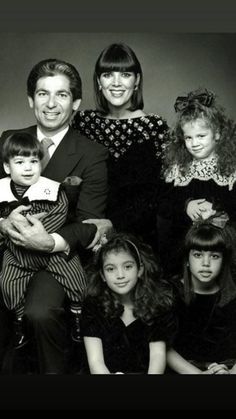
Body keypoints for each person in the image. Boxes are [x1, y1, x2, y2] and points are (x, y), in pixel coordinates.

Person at [0, 58, 110, 374]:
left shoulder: (91, 153)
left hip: (57, 260)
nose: (51, 104)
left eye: (61, 95)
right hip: (7, 252)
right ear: (31, 99)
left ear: (75, 102)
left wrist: (50, 241)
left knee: (40, 313)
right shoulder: (9, 139)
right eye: (43, 93)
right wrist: (4, 224)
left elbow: (90, 222)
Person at [72, 43, 169, 252]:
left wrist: (114, 225)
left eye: (125, 74)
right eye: (108, 75)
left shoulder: (154, 127)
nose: (116, 83)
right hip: (86, 236)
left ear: (137, 81)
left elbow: (159, 196)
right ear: (99, 81)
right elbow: (72, 183)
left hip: (136, 240)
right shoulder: (83, 122)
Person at [0, 132, 87, 348]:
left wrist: (36, 233)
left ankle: (77, 314)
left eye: (34, 161)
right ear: (7, 167)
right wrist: (6, 223)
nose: (28, 168)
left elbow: (60, 212)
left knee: (74, 275)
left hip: (50, 252)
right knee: (7, 282)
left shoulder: (52, 188)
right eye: (20, 162)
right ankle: (19, 320)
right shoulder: (1, 190)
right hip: (17, 253)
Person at [158, 87, 236, 277]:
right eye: (188, 138)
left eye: (201, 136)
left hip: (221, 246)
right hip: (184, 247)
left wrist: (217, 208)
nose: (195, 143)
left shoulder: (230, 168)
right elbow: (164, 204)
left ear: (217, 134)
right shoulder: (178, 168)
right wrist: (186, 205)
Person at [80, 232, 177, 374]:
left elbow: (158, 356)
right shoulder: (93, 306)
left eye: (127, 267)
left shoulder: (156, 305)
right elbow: (96, 362)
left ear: (140, 269)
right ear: (103, 276)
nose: (120, 275)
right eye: (111, 269)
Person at [167, 219, 236, 374]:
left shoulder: (232, 296)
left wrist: (231, 372)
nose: (206, 263)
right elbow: (164, 348)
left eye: (214, 256)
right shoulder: (171, 292)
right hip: (186, 371)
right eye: (198, 255)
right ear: (187, 260)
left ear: (223, 260)